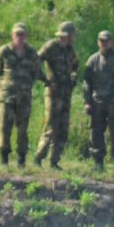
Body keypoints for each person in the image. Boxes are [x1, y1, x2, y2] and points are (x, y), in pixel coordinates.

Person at [82, 29, 114, 171]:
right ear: (98, 42)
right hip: (96, 101)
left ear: (111, 42)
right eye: (101, 41)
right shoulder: (93, 60)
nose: (104, 43)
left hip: (113, 101)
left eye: (106, 41)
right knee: (96, 132)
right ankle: (98, 163)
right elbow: (87, 82)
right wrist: (87, 101)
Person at [0, 22, 42, 167]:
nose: (19, 37)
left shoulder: (31, 52)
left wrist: (28, 85)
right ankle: (4, 158)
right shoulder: (4, 51)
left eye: (22, 34)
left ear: (26, 36)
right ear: (12, 35)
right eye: (17, 34)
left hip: (24, 97)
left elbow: (36, 72)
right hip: (7, 96)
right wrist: (5, 85)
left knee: (22, 129)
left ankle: (21, 159)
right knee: (4, 127)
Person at [33, 21, 79, 169]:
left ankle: (54, 161)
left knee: (63, 128)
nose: (74, 37)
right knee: (51, 126)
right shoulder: (51, 46)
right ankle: (38, 158)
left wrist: (73, 77)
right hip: (53, 94)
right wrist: (46, 80)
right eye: (73, 35)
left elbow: (75, 65)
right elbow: (36, 61)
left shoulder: (69, 49)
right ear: (68, 35)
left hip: (66, 93)